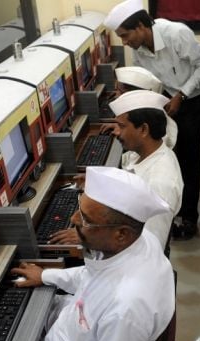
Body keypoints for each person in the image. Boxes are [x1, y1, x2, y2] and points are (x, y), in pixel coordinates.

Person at [12, 166, 175, 341]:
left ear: (121, 234)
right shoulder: (140, 240)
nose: (73, 220)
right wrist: (45, 276)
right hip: (71, 329)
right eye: (80, 209)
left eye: (86, 220)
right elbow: (92, 275)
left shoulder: (126, 309)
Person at [105, 0, 200, 240]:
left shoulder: (177, 34)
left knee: (190, 162)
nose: (124, 42)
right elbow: (147, 80)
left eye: (125, 35)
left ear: (141, 26)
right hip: (164, 99)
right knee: (168, 154)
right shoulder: (138, 49)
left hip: (190, 99)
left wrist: (182, 94)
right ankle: (167, 215)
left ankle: (189, 218)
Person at [51, 91, 183, 249]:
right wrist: (100, 184)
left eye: (121, 126)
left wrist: (87, 237)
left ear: (143, 130)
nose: (117, 131)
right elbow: (131, 181)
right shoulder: (144, 153)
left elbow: (150, 248)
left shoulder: (160, 183)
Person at [104, 66, 178, 149]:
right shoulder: (151, 116)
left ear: (136, 95)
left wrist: (124, 130)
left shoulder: (154, 134)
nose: (116, 96)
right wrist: (124, 127)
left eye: (119, 91)